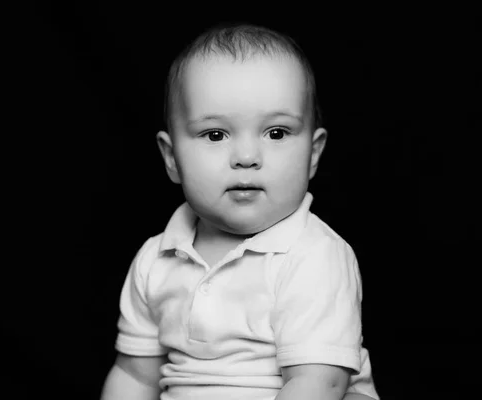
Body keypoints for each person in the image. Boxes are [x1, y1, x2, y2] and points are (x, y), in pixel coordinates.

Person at [100, 22, 380, 400]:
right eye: (215, 134)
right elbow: (135, 376)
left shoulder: (314, 255)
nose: (247, 157)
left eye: (276, 133)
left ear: (313, 154)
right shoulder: (156, 259)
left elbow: (318, 384)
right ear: (172, 158)